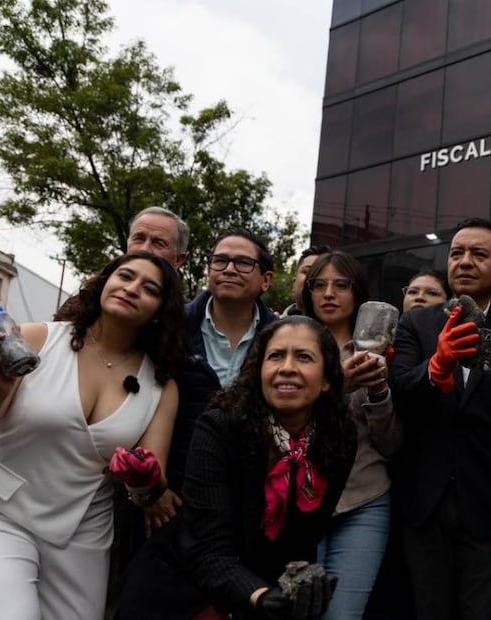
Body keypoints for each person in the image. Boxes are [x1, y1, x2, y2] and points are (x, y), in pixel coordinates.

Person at [0, 252, 184, 620]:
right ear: (103, 284)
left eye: (149, 288)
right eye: (124, 276)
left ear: (161, 310)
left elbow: (149, 490)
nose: (131, 288)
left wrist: (144, 480)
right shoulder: (34, 339)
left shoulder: (161, 387)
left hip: (81, 533)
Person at [118, 315, 357, 619]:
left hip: (257, 592)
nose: (287, 368)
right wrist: (258, 595)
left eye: (304, 357)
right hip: (179, 590)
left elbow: (306, 537)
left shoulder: (339, 438)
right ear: (259, 371)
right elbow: (207, 547)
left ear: (326, 379)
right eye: (275, 356)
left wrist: (299, 582)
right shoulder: (220, 427)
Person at [389, 217, 491, 620]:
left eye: (479, 254)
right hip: (424, 508)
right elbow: (400, 393)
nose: (465, 261)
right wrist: (434, 368)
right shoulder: (415, 324)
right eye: (457, 253)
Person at [301, 251, 401, 620]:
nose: (329, 293)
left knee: (343, 614)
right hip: (295, 496)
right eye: (319, 285)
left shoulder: (381, 351)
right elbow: (272, 416)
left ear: (357, 292)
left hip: (364, 497)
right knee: (298, 609)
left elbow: (391, 443)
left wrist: (378, 393)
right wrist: (337, 385)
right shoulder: (291, 344)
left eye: (341, 285)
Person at [168, 228, 276, 497]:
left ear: (266, 280)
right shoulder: (172, 327)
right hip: (175, 487)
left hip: (250, 490)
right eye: (220, 260)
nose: (229, 269)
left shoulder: (281, 340)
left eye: (242, 263)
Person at [284, 245, 333, 317]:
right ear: (294, 283)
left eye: (321, 273)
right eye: (308, 271)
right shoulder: (268, 324)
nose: (313, 278)